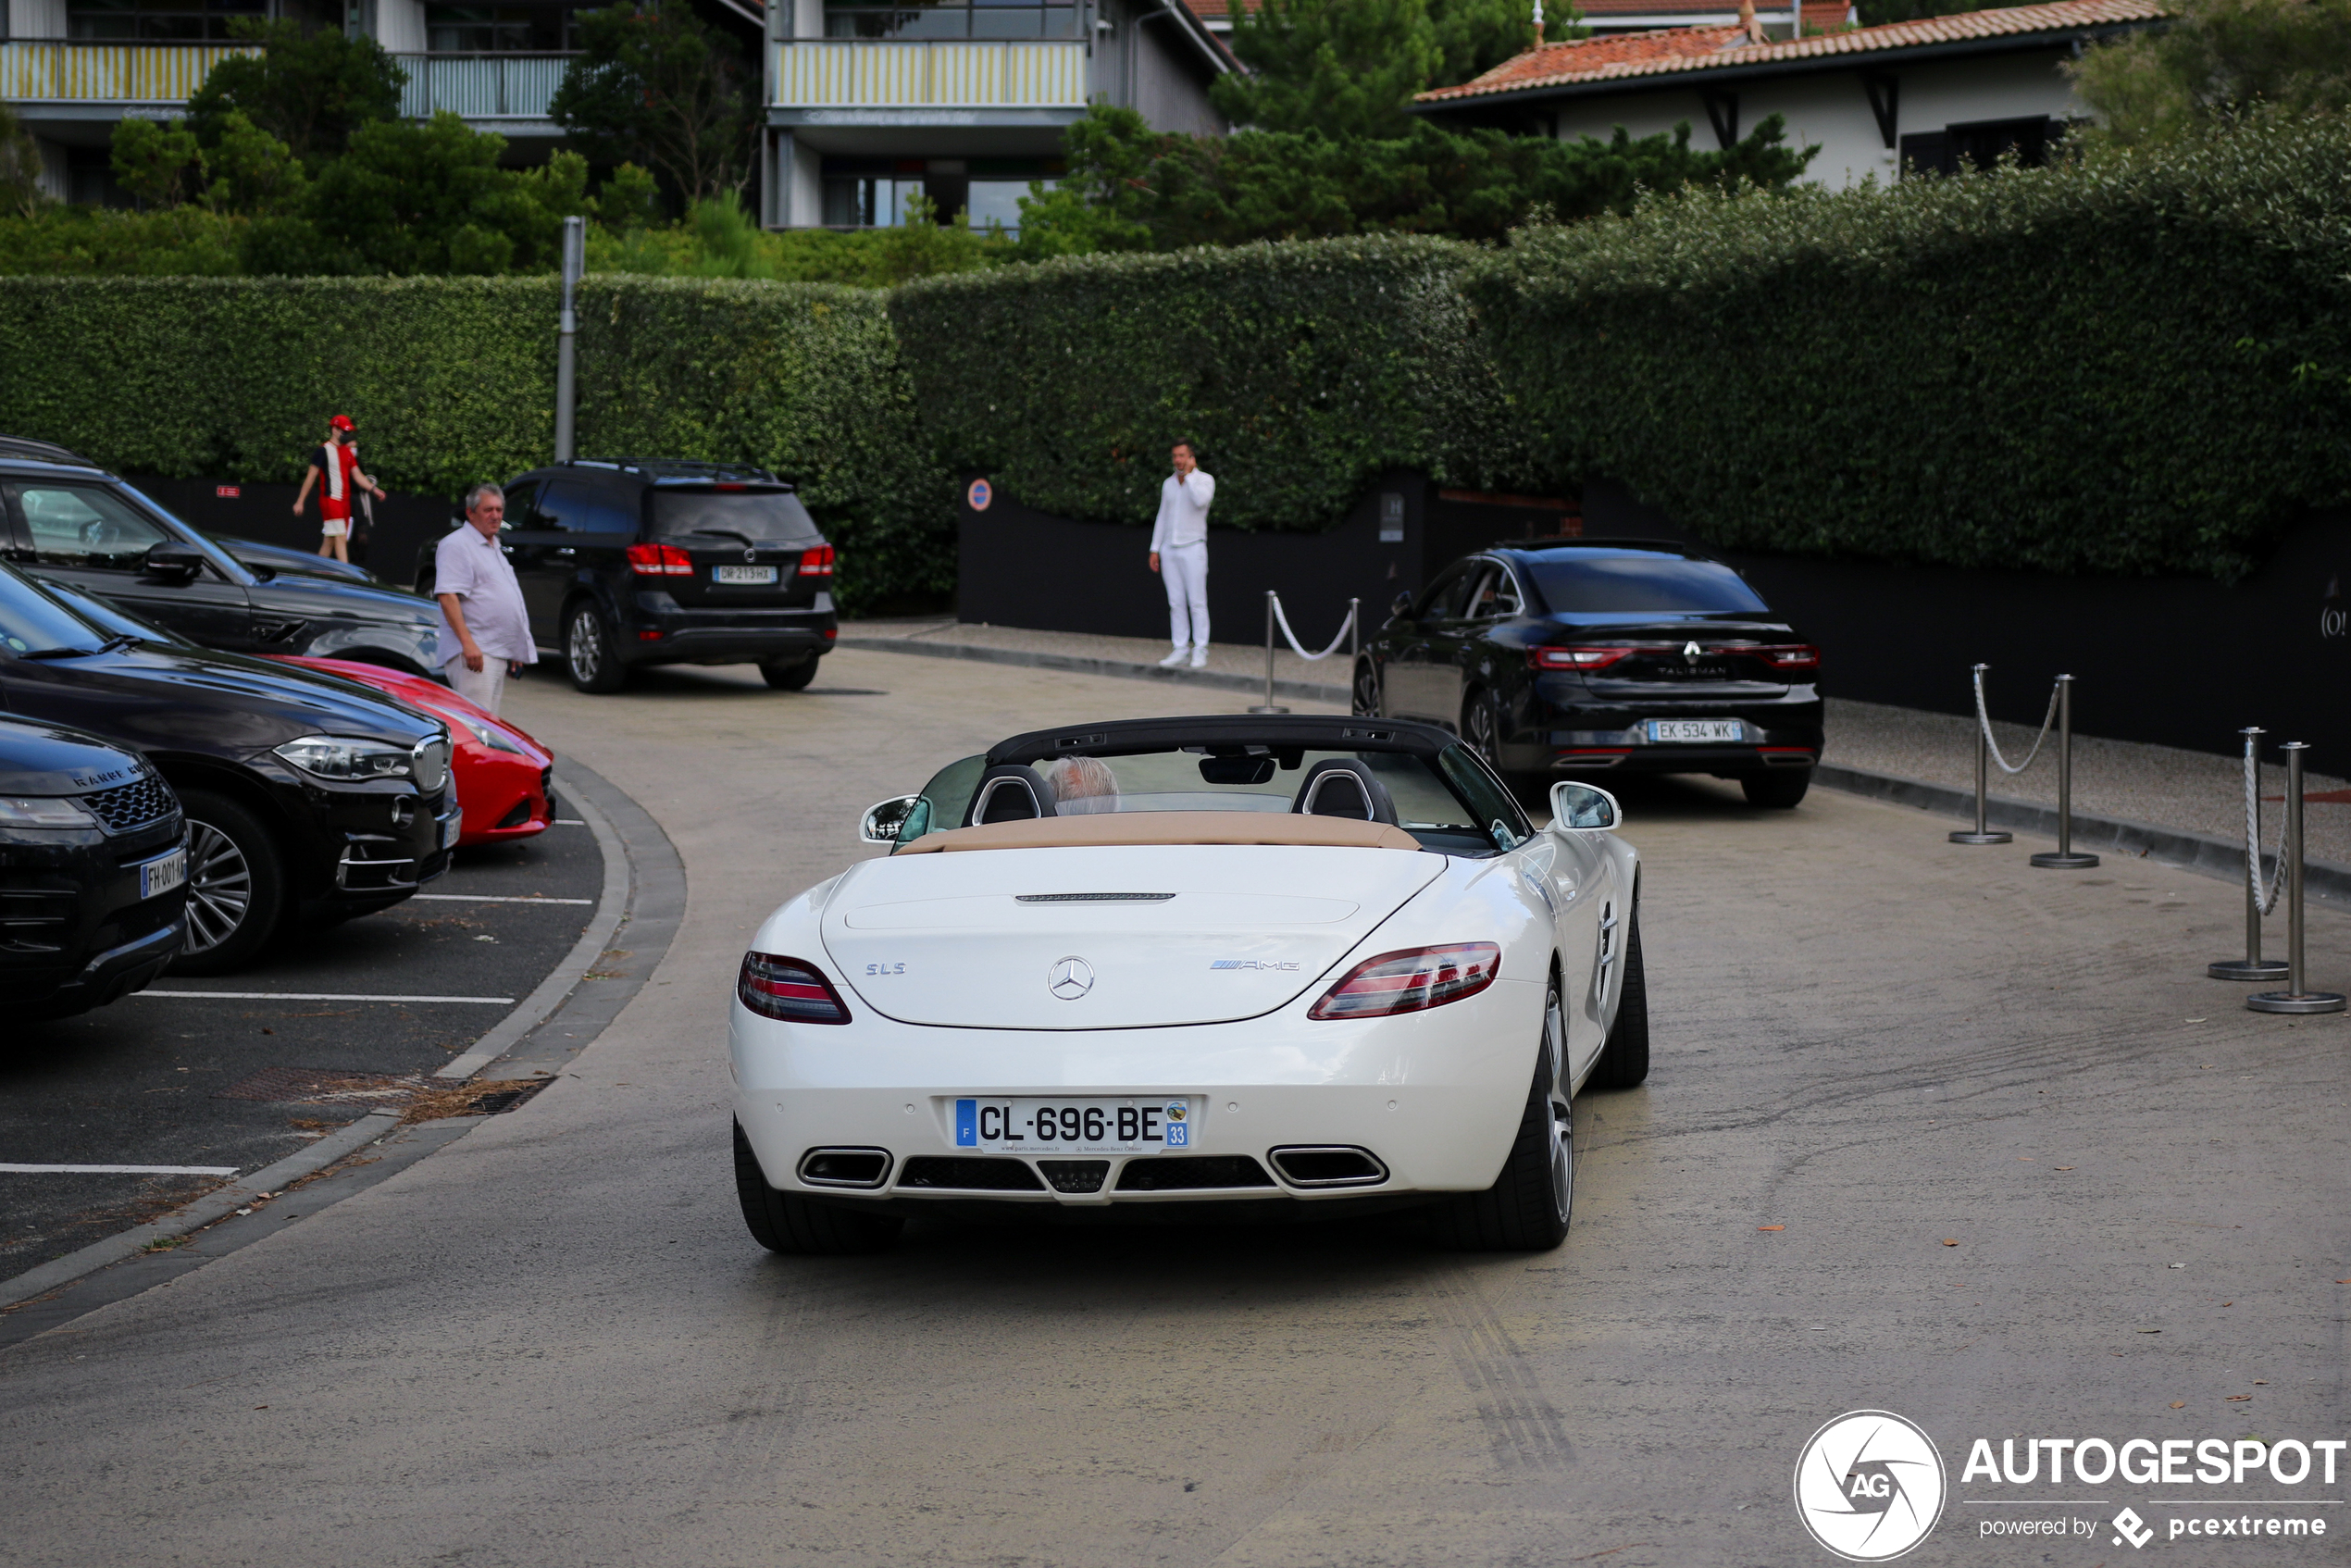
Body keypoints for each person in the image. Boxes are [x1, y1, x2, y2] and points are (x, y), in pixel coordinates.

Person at [433, 482, 535, 715]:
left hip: (494, 652)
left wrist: (515, 647)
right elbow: (447, 596)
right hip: (475, 654)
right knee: (475, 729)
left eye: (499, 510)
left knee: (489, 728)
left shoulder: (493, 545)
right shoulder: (457, 544)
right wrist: (468, 644)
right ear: (470, 512)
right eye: (488, 510)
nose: (495, 516)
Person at [1147, 439, 1214, 668]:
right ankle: (1180, 647)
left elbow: (1201, 501)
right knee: (1176, 602)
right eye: (1175, 456)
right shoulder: (1168, 484)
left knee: (1197, 601)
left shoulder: (1204, 481)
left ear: (1191, 458)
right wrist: (1155, 548)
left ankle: (1201, 649)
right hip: (1170, 549)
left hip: (1193, 546)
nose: (1178, 460)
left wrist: (1190, 477)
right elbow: (1162, 516)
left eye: (1182, 456)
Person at [291, 415, 386, 566]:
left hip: (344, 502)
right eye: (344, 431)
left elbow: (357, 475)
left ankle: (317, 574)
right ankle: (347, 578)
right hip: (330, 500)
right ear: (334, 429)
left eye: (348, 432)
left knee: (329, 541)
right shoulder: (323, 451)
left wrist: (374, 489)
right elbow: (310, 477)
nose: (346, 435)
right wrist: (300, 501)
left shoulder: (347, 451)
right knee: (341, 538)